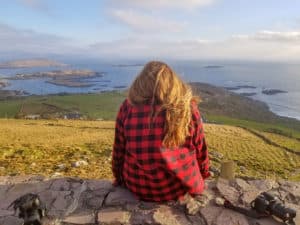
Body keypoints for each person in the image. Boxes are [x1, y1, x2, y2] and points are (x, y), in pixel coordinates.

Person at [112, 61, 210, 213]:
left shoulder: (128, 107)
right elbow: (200, 149)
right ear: (173, 83)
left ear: (140, 83)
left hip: (137, 186)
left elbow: (119, 150)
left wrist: (119, 179)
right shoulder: (187, 108)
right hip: (178, 187)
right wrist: (203, 176)